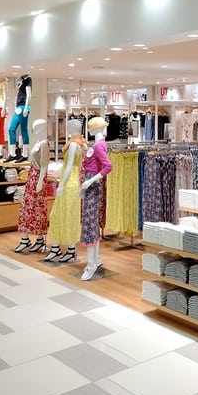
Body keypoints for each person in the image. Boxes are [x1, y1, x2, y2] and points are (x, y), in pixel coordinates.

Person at [42, 119, 85, 263]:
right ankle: (68, 249)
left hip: (68, 183)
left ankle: (59, 249)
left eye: (68, 126)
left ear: (72, 128)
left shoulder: (73, 145)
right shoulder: (79, 144)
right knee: (67, 215)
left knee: (58, 215)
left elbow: (69, 167)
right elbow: (78, 167)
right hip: (74, 182)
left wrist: (61, 185)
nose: (66, 128)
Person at [79, 116, 113, 280]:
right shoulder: (100, 144)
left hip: (91, 185)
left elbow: (108, 167)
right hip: (90, 185)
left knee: (89, 223)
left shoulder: (99, 146)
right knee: (92, 222)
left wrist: (90, 181)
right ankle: (96, 259)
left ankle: (91, 264)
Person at [13, 120, 53, 254]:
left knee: (37, 209)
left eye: (37, 127)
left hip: (38, 178)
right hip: (32, 177)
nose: (34, 129)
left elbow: (44, 165)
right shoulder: (37, 142)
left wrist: (40, 182)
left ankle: (35, 239)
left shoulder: (44, 144)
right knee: (27, 208)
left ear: (42, 128)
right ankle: (28, 239)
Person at [7, 73, 33, 162]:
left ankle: (25, 154)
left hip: (23, 107)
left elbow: (29, 95)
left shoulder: (27, 80)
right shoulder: (22, 82)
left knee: (23, 130)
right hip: (18, 108)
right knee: (11, 129)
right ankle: (12, 153)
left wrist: (26, 108)